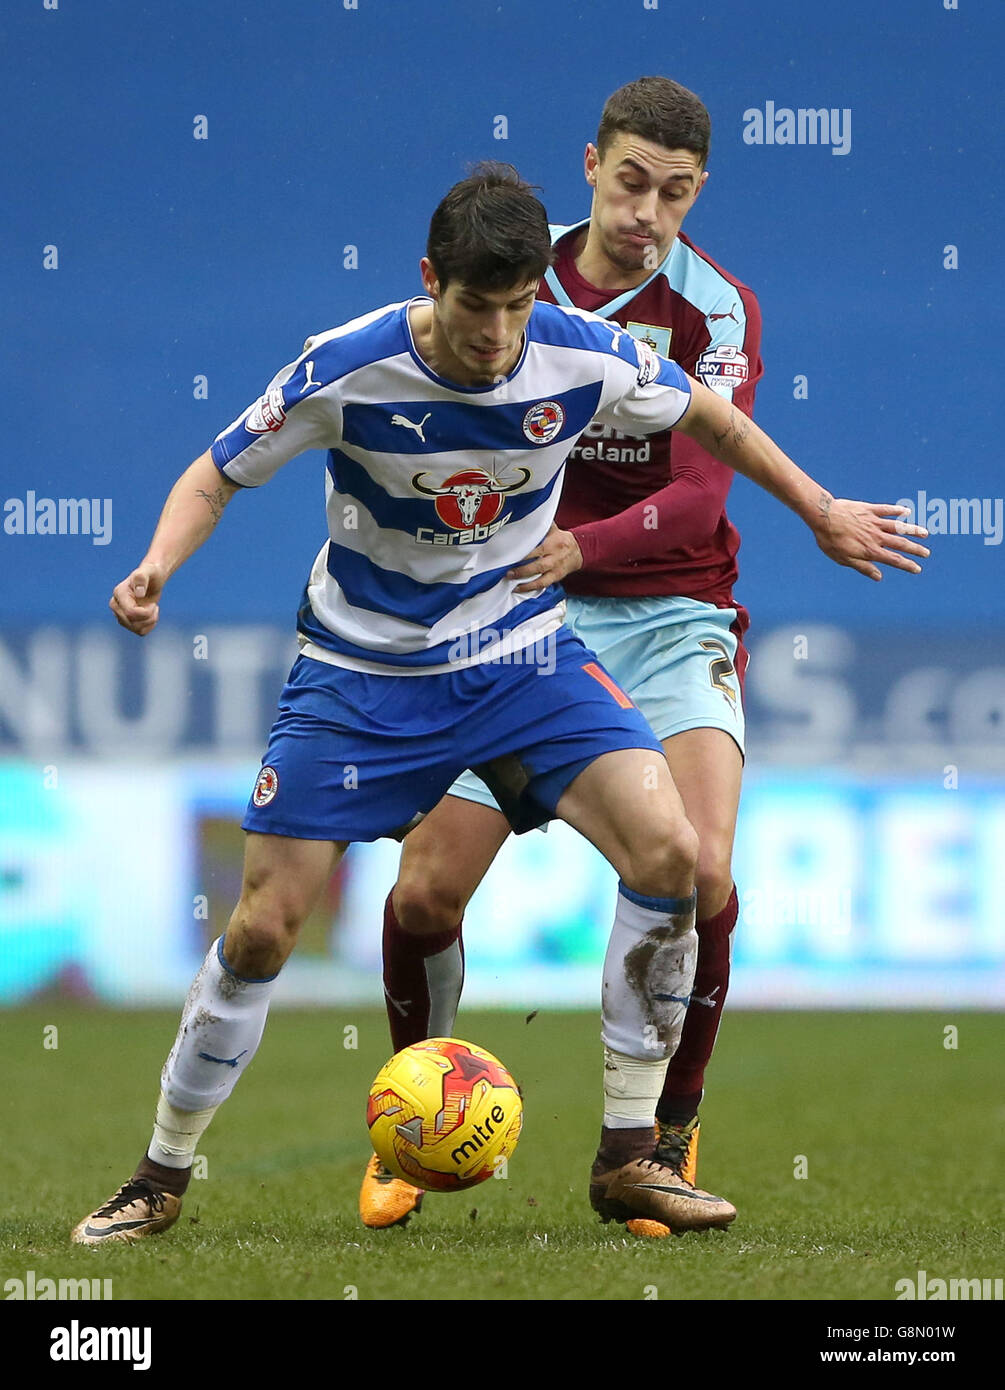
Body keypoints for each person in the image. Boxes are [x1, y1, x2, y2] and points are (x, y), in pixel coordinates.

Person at [72, 162, 926, 1246]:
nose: (497, 334)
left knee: (673, 854)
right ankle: (160, 1174)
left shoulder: (585, 351)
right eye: (477, 307)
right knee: (264, 927)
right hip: (360, 673)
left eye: (519, 306)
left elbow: (714, 421)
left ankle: (631, 1157)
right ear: (433, 281)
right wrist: (156, 566)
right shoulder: (349, 365)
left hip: (523, 658)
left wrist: (819, 510)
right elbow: (216, 473)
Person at [357, 77, 898, 1235]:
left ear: (698, 193)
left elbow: (701, 498)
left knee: (702, 877)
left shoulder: (716, 309)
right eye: (631, 180)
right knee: (424, 890)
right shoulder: (512, 270)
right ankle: (414, 1127)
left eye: (678, 191)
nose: (649, 210)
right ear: (591, 164)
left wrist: (581, 544)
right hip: (513, 619)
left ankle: (658, 1137)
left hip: (666, 615)